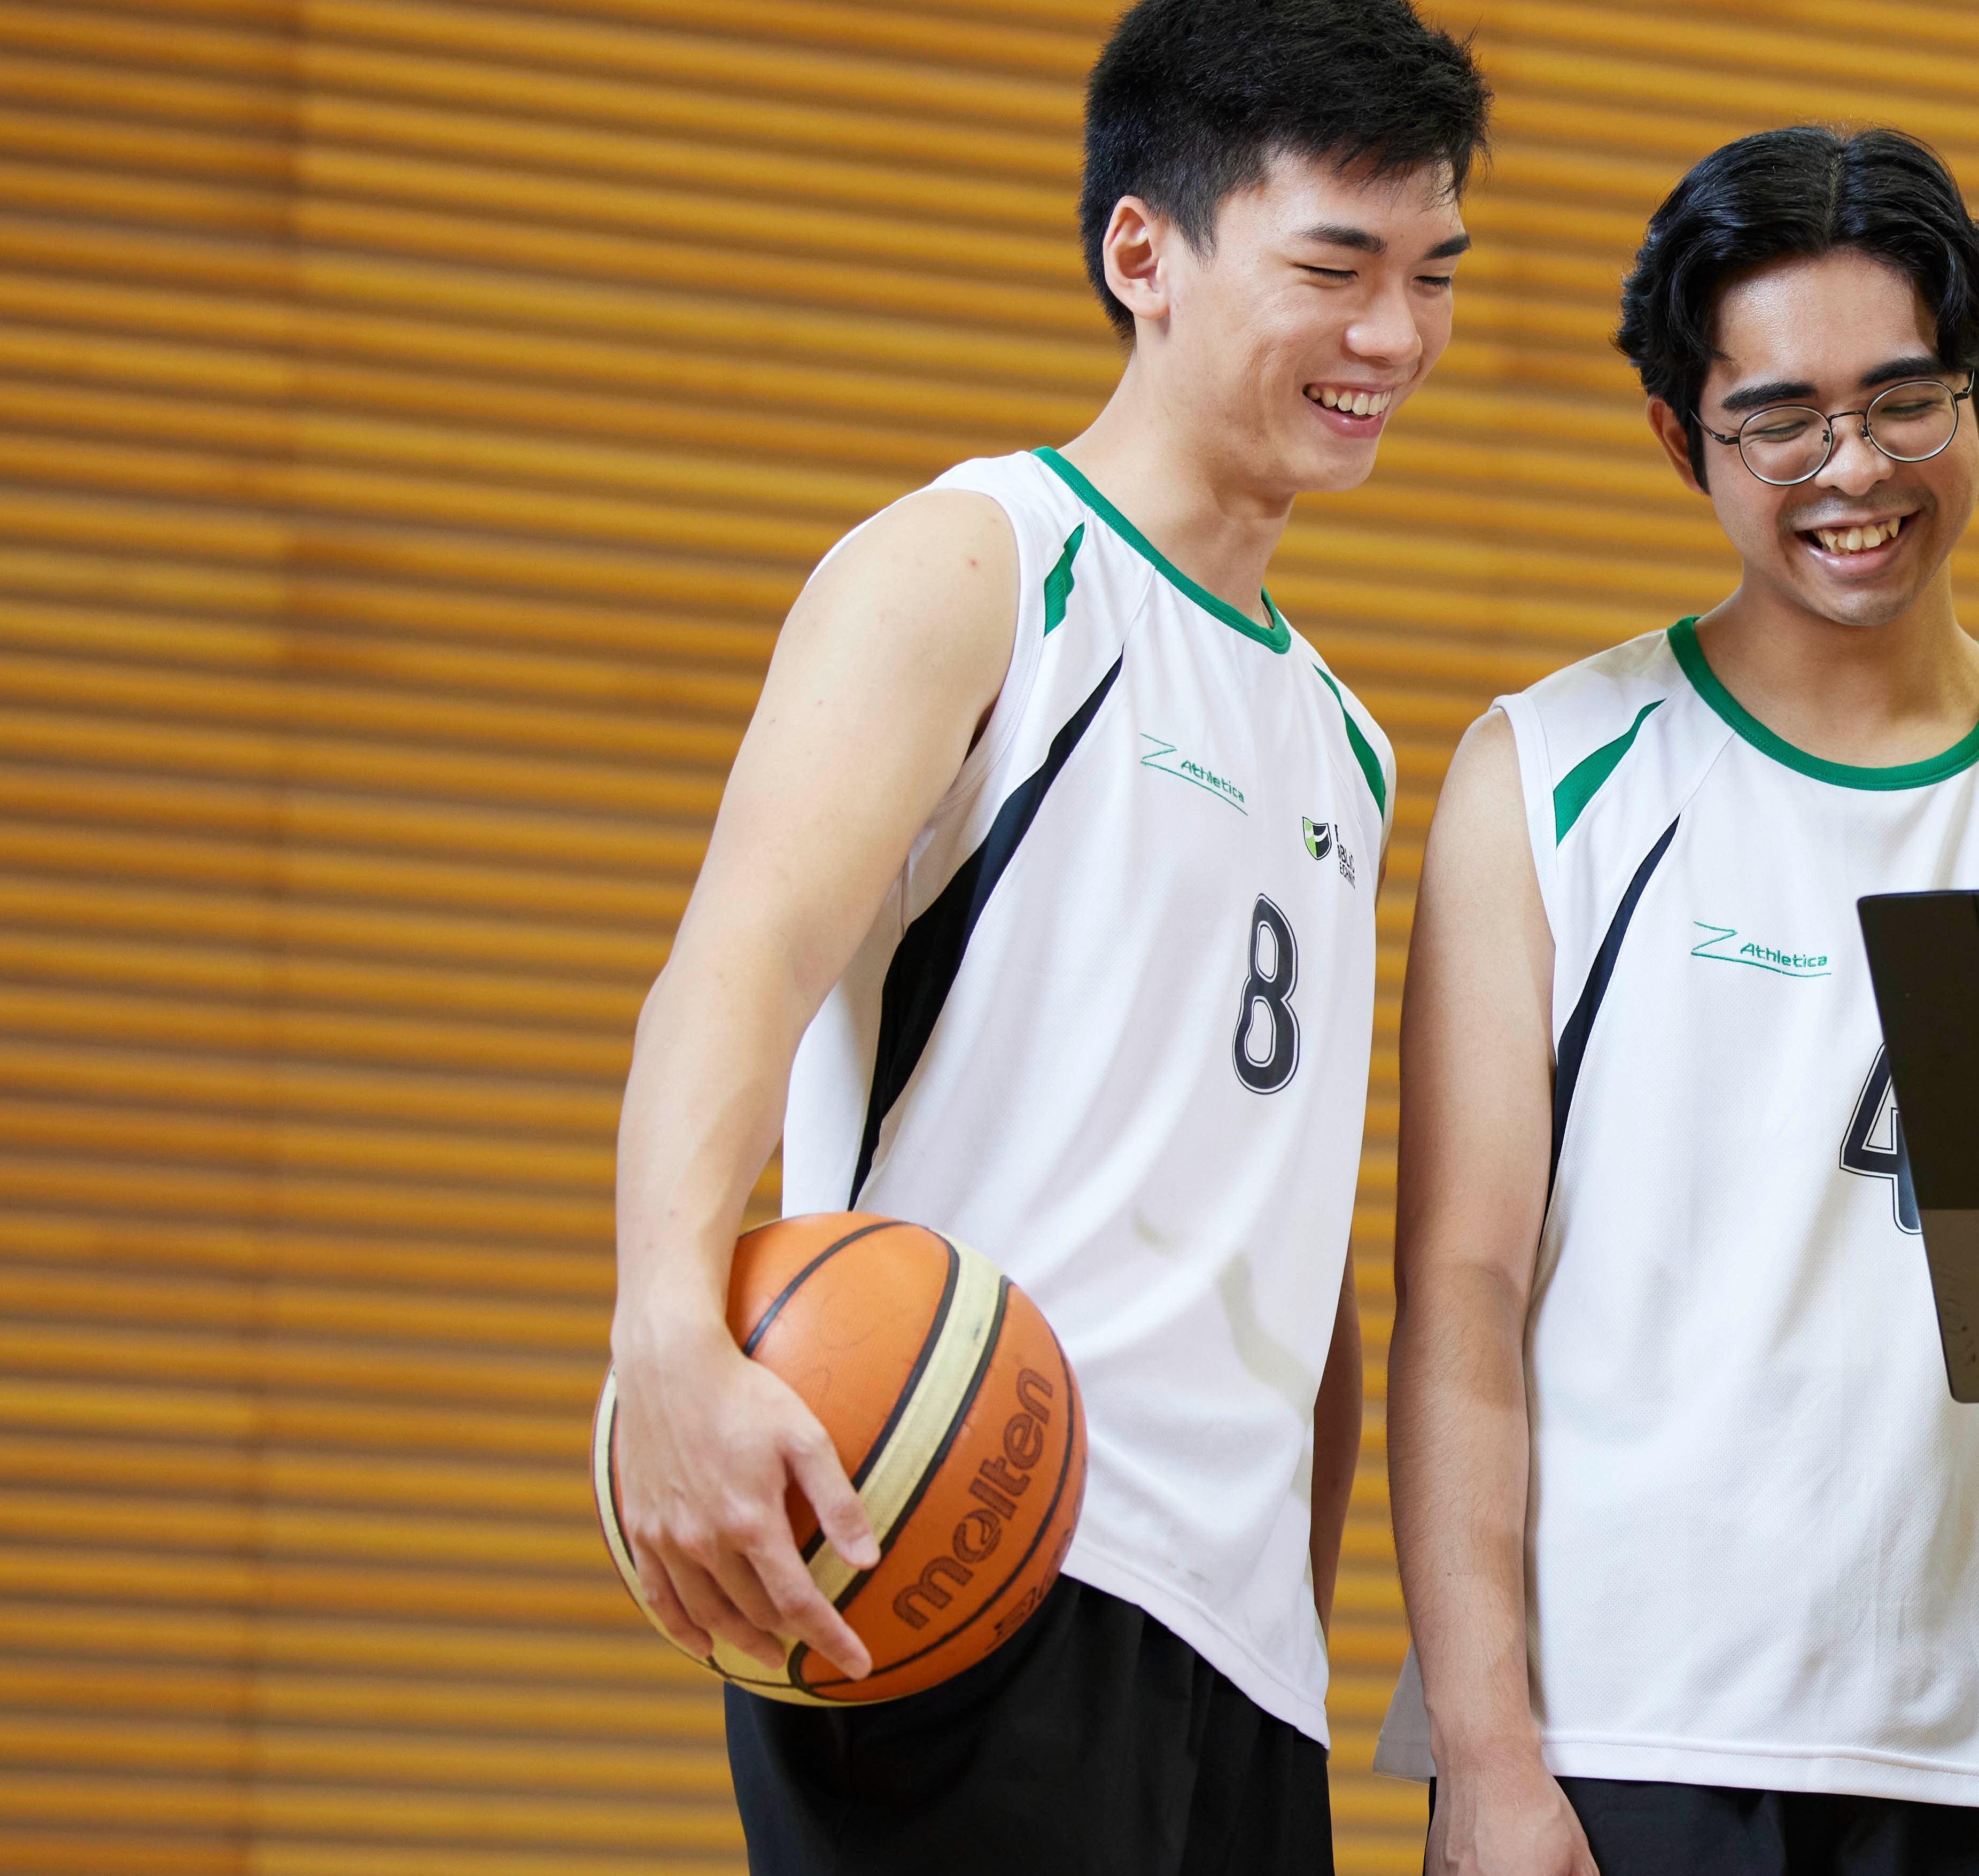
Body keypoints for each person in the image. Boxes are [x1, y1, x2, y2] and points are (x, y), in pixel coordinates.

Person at [599, 2, 1487, 1869]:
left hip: (1234, 1651)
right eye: (1335, 268)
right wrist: (671, 1333)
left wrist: (1295, 1618)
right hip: (958, 1542)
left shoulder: (1345, 735)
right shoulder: (977, 563)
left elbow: (1291, 1240)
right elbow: (738, 965)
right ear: (1141, 253)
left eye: (1431, 275)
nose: (1394, 337)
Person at [1382, 126, 1979, 1876]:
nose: (1850, 466)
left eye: (1903, 400)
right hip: (1632, 1737)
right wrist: (1487, 1753)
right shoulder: (1552, 774)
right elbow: (1460, 1286)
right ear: (1678, 437)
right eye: (1777, 416)